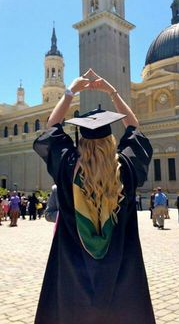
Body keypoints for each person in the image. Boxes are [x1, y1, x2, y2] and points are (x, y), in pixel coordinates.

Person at [33, 69, 156, 324]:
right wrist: (112, 92)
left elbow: (52, 127)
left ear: (82, 141)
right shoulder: (125, 167)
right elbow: (134, 128)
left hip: (73, 265)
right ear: (110, 139)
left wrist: (70, 92)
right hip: (119, 265)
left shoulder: (68, 165)